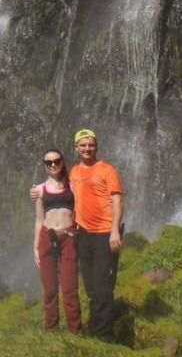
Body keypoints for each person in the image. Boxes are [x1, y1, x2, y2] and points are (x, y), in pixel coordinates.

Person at [31, 128, 124, 340]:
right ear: (76, 148)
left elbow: (118, 201)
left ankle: (92, 334)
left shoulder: (102, 171)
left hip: (93, 235)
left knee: (89, 288)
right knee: (78, 288)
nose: (87, 148)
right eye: (83, 145)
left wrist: (115, 231)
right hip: (72, 236)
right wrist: (35, 245)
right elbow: (40, 213)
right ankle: (55, 331)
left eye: (90, 144)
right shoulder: (66, 177)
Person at [33, 148, 82, 334]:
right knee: (50, 289)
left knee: (70, 288)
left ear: (62, 161)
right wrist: (35, 246)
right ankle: (51, 331)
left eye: (56, 161)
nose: (53, 165)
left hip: (69, 237)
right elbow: (39, 220)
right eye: (48, 163)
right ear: (45, 166)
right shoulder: (40, 190)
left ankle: (76, 332)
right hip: (47, 237)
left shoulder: (73, 186)